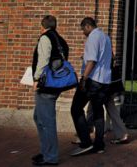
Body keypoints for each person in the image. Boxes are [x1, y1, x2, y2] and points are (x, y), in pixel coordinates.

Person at [70, 17, 113, 156]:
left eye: (83, 29)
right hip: (105, 80)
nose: (83, 33)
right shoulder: (106, 37)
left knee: (76, 108)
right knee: (98, 111)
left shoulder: (93, 38)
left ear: (88, 26)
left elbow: (92, 60)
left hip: (93, 80)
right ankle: (99, 144)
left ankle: (85, 142)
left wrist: (84, 78)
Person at [31, 15, 70, 166]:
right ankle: (45, 151)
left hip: (46, 84)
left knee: (46, 121)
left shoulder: (45, 38)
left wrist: (36, 79)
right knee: (38, 117)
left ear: (43, 26)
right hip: (56, 84)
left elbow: (43, 60)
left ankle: (50, 157)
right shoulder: (61, 40)